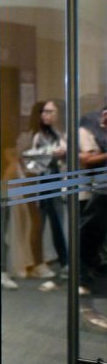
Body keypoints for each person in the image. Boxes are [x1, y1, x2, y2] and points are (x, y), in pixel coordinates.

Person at [25, 100, 69, 288]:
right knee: (41, 224)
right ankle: (43, 263)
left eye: (52, 112)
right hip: (42, 183)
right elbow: (31, 162)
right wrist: (52, 154)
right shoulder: (37, 136)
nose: (48, 115)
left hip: (55, 182)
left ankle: (62, 262)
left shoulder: (56, 134)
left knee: (56, 223)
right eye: (45, 112)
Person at [77, 104, 107, 330]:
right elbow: (86, 159)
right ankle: (84, 280)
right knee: (89, 236)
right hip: (99, 191)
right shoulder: (90, 131)